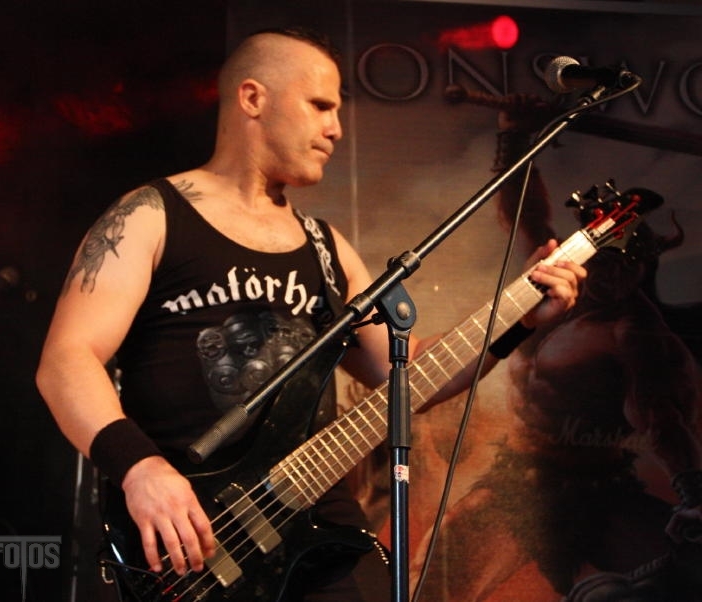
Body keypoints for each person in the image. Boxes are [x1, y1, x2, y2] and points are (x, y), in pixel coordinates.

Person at [35, 28, 585, 602]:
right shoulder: (151, 214)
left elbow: (406, 372)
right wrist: (140, 469)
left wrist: (520, 315)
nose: (336, 128)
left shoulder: (326, 247)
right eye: (320, 105)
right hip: (191, 536)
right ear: (253, 99)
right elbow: (67, 359)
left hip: (317, 527)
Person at [409, 93, 702, 601]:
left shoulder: (633, 333)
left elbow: (661, 419)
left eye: (626, 267)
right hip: (515, 481)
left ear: (642, 268)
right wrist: (514, 136)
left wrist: (693, 493)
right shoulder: (553, 283)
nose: (611, 276)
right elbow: (525, 216)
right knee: (430, 582)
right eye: (605, 263)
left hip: (601, 491)